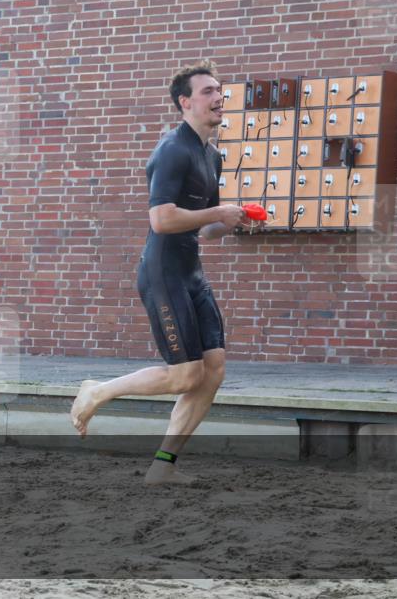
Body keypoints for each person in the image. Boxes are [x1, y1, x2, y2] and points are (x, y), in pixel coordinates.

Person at [70, 61, 261, 484]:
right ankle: (98, 390)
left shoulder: (212, 155)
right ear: (185, 101)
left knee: (212, 372)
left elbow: (204, 228)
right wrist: (216, 211)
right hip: (163, 273)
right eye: (208, 91)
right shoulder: (172, 149)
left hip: (191, 272)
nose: (218, 97)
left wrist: (230, 221)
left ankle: (162, 468)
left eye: (220, 90)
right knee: (185, 375)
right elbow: (161, 219)